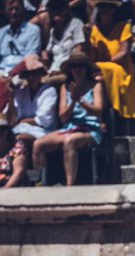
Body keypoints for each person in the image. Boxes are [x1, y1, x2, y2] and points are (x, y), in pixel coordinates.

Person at [32, 52, 103, 186]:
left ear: (86, 68)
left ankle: (70, 184)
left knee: (69, 141)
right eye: (74, 66)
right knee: (38, 144)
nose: (77, 69)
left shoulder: (95, 85)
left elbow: (98, 110)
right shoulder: (65, 87)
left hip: (89, 129)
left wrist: (80, 101)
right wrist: (73, 101)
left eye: (81, 66)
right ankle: (40, 182)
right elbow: (63, 116)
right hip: (69, 127)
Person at [88, 0, 135, 122]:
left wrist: (107, 61)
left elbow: (124, 54)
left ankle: (114, 111)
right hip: (100, 69)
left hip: (121, 69)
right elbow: (92, 56)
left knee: (108, 70)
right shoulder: (95, 30)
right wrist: (86, 37)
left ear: (114, 9)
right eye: (102, 6)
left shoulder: (124, 26)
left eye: (109, 7)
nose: (106, 9)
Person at [9, 54, 57, 147]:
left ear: (40, 74)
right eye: (28, 74)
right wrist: (11, 95)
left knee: (18, 139)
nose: (31, 78)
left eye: (34, 73)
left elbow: (45, 120)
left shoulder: (49, 91)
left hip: (42, 132)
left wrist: (22, 121)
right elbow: (13, 119)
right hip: (19, 129)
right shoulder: (21, 92)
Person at [0, 0, 40, 75]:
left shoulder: (33, 30)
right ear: (5, 12)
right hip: (1, 73)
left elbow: (30, 59)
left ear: (23, 10)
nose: (13, 12)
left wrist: (11, 75)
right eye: (10, 9)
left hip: (24, 73)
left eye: (17, 9)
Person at [43, 0, 85, 73]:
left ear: (66, 9)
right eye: (53, 9)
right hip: (53, 71)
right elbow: (48, 53)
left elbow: (80, 49)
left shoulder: (76, 23)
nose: (56, 11)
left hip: (71, 70)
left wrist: (67, 67)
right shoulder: (52, 31)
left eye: (60, 8)